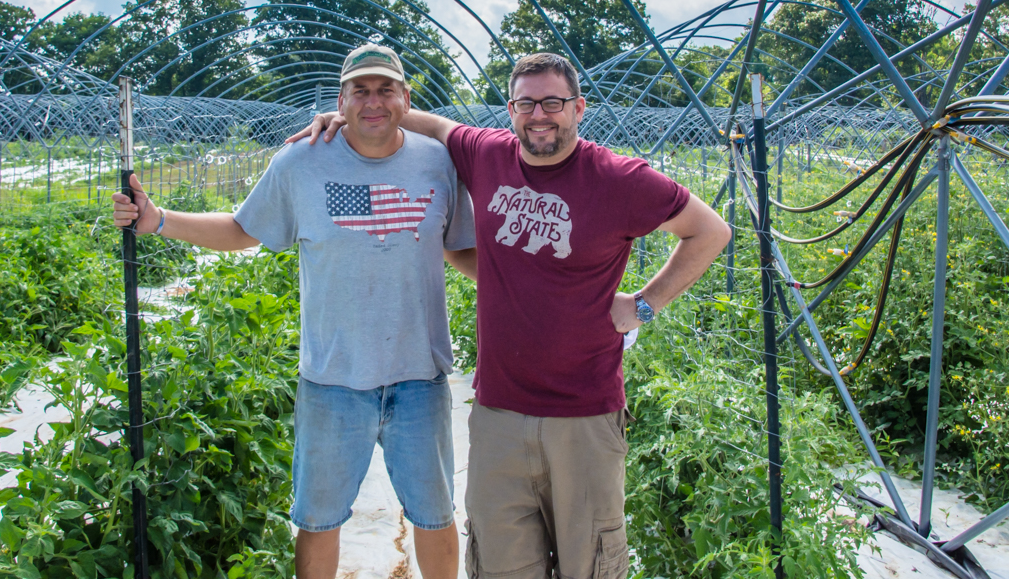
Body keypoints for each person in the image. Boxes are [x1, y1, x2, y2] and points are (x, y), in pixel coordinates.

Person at [291, 51, 731, 579]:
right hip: (499, 412)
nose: (539, 115)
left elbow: (710, 231)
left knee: (587, 563)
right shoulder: (486, 154)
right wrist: (350, 113)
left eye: (553, 102)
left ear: (579, 108)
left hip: (584, 416)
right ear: (511, 109)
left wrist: (643, 304)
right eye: (527, 103)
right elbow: (426, 120)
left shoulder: (618, 178)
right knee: (499, 563)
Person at [114, 43, 477, 579]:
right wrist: (158, 219)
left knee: (435, 515)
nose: (372, 101)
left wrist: (543, 285)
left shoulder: (437, 162)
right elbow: (243, 229)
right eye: (360, 90)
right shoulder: (302, 161)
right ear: (340, 98)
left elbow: (459, 246)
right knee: (319, 521)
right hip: (331, 379)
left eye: (385, 89)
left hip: (418, 378)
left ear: (406, 97)